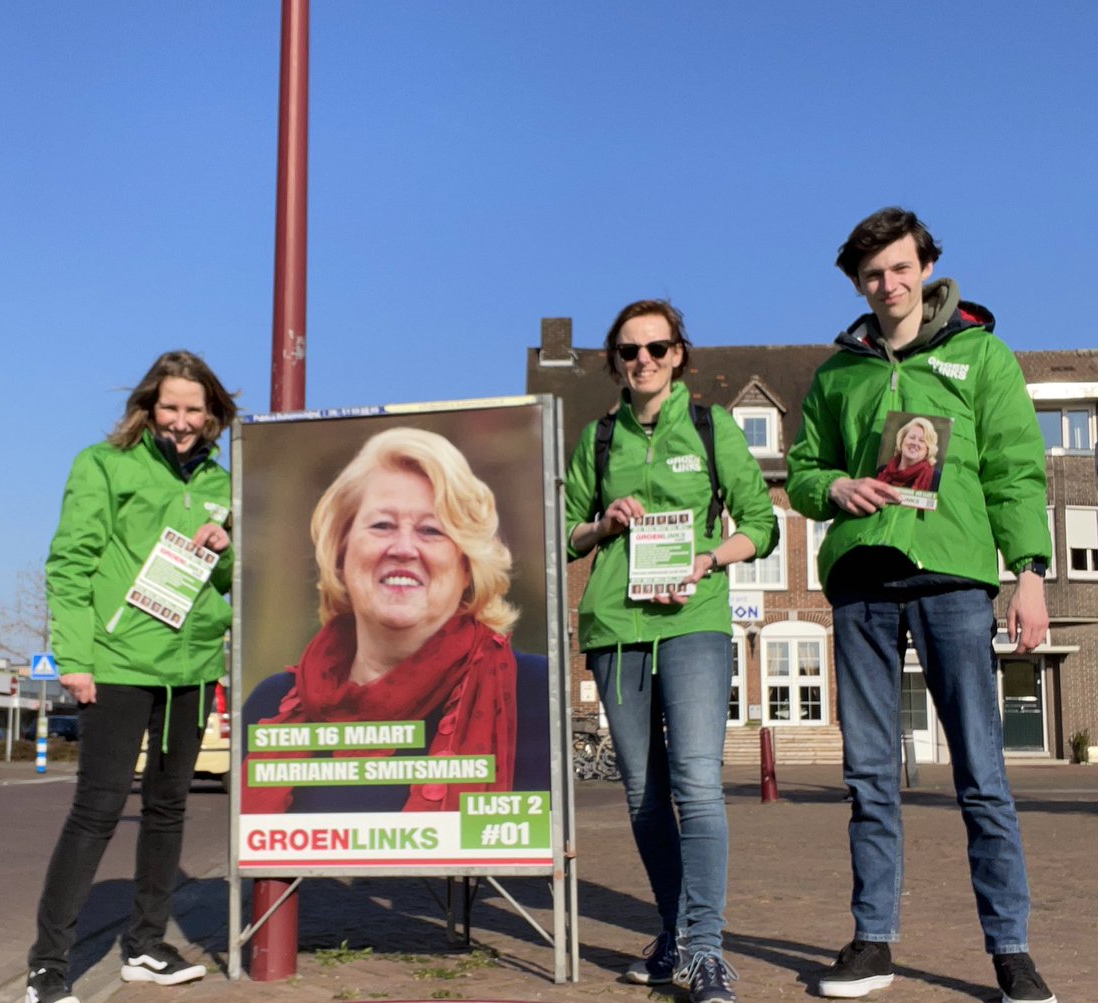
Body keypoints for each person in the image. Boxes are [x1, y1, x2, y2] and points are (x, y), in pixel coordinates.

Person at [787, 208, 1055, 1003]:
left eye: (901, 268)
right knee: (869, 772)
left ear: (928, 266)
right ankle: (873, 942)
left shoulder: (983, 355)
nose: (889, 284)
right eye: (873, 275)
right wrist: (833, 485)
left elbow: (1016, 467)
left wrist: (1031, 572)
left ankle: (1011, 948)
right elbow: (804, 470)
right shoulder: (837, 373)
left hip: (952, 579)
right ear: (857, 283)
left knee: (981, 771)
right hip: (863, 582)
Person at [564, 299, 778, 1003]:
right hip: (615, 629)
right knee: (644, 795)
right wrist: (602, 522)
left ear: (679, 353)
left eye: (657, 347)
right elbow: (565, 531)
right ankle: (673, 934)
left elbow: (761, 524)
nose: (644, 360)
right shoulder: (597, 440)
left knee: (697, 781)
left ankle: (707, 951)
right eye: (629, 351)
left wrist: (712, 559)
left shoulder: (713, 429)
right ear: (615, 363)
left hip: (695, 621)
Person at [25, 350, 237, 1003]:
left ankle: (146, 943)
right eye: (170, 407)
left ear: (211, 415)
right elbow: (70, 563)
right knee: (97, 808)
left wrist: (230, 548)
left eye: (193, 409)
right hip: (117, 663)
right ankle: (48, 963)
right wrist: (76, 657)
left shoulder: (223, 484)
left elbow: (227, 583)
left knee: (169, 808)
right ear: (149, 408)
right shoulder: (103, 465)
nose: (181, 420)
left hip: (193, 667)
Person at [242, 426, 549, 813]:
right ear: (341, 551)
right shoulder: (269, 704)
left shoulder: (534, 693)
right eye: (382, 525)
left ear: (468, 565)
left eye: (431, 530)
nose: (403, 548)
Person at [875, 416, 938, 492]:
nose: (915, 443)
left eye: (921, 440)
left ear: (928, 448)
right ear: (902, 440)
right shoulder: (882, 471)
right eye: (912, 437)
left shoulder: (936, 478)